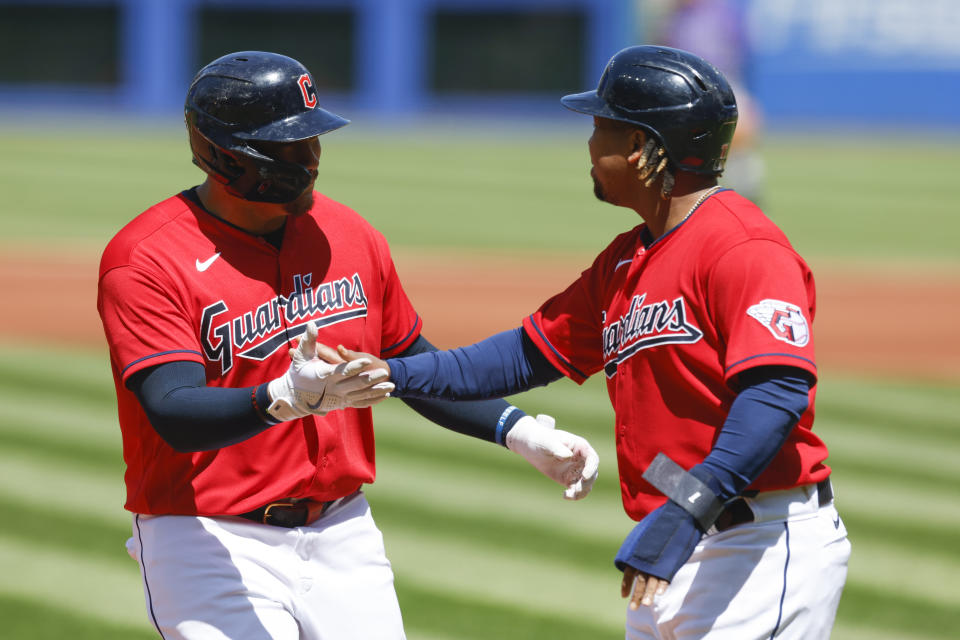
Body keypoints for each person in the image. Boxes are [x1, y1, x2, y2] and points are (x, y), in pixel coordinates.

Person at [329, 46, 850, 639]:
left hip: (755, 543)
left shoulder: (744, 249)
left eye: (601, 127)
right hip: (682, 537)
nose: (588, 145)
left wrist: (689, 508)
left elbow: (775, 395)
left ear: (643, 147)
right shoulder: (628, 260)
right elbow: (523, 355)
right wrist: (395, 372)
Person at [96, 50, 598, 640]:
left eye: (311, 140)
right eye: (286, 146)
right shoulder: (147, 258)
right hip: (207, 537)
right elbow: (174, 411)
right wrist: (279, 398)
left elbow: (412, 361)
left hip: (343, 530)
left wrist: (517, 430)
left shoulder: (347, 235)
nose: (308, 158)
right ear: (224, 152)